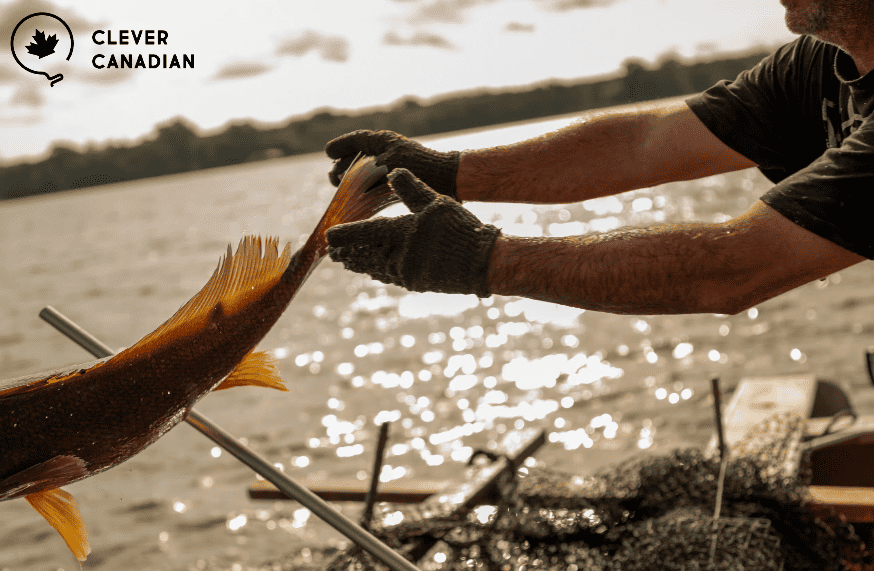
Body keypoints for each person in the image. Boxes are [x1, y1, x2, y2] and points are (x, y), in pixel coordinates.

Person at [324, 0, 873, 316]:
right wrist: (446, 170)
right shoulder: (819, 64)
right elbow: (641, 145)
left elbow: (734, 268)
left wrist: (482, 259)